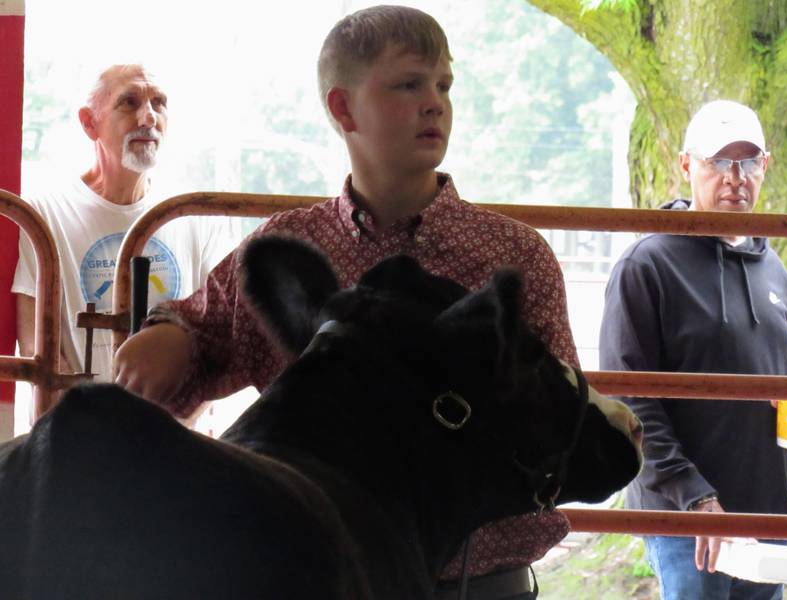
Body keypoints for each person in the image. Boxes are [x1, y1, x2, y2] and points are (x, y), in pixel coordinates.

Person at [115, 6, 580, 598]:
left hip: (477, 583)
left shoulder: (514, 258)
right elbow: (203, 333)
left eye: (443, 85)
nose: (435, 102)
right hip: (319, 572)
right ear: (342, 108)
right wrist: (170, 333)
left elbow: (558, 425)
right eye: (409, 83)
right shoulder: (286, 247)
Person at [599, 100, 787, 600]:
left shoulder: (775, 269)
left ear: (765, 166)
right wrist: (696, 499)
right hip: (687, 520)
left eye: (748, 161)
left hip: (766, 515)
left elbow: (780, 379)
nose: (735, 177)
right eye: (718, 162)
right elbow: (630, 401)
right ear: (687, 166)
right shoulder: (647, 266)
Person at [12, 64, 235, 389]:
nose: (148, 118)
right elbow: (37, 347)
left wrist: (178, 425)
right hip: (79, 429)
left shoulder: (193, 214)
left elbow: (218, 336)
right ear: (90, 123)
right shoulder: (45, 214)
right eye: (129, 102)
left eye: (159, 103)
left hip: (173, 432)